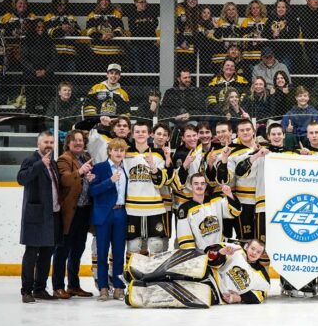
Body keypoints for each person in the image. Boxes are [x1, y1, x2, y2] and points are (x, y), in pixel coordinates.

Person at [17, 131, 61, 303]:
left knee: (46, 254)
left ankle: (40, 289)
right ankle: (26, 291)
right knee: (31, 254)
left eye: (51, 142)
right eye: (45, 142)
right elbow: (21, 179)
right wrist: (39, 165)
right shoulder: (31, 160)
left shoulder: (54, 163)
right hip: (35, 216)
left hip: (52, 215)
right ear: (38, 144)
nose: (49, 145)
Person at [52, 130, 94, 299]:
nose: (78, 143)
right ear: (68, 143)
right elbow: (65, 180)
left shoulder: (83, 158)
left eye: (80, 140)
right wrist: (81, 172)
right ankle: (58, 286)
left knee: (77, 250)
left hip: (84, 211)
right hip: (70, 213)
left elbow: (82, 181)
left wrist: (89, 178)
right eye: (75, 140)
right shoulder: (64, 159)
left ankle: (74, 286)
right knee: (62, 251)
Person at [89, 137, 129, 301]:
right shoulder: (99, 168)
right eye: (116, 150)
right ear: (109, 151)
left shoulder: (127, 168)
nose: (119, 153)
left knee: (119, 253)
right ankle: (104, 288)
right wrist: (109, 181)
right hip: (104, 214)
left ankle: (119, 288)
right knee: (102, 253)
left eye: (122, 150)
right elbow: (92, 191)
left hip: (121, 213)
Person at [124, 121, 171, 257]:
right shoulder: (126, 154)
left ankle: (153, 278)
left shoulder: (157, 155)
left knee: (156, 244)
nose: (140, 134)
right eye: (137, 131)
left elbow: (162, 182)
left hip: (154, 207)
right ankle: (132, 276)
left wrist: (153, 167)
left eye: (143, 131)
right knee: (133, 245)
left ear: (149, 134)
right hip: (132, 207)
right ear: (132, 134)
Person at [176, 174, 241, 250]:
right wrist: (194, 257)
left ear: (206, 185)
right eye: (196, 183)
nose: (199, 186)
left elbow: (236, 212)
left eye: (202, 183)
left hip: (221, 250)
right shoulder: (184, 209)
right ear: (191, 186)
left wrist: (229, 194)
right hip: (201, 254)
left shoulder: (217, 200)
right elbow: (185, 239)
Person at [21, 19, 56, 115]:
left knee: (47, 100)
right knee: (31, 100)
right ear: (34, 28)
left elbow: (54, 58)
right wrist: (34, 71)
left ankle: (47, 121)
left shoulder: (49, 40)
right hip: (31, 75)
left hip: (46, 75)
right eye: (38, 27)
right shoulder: (27, 40)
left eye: (43, 27)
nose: (41, 29)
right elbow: (23, 59)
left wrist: (45, 71)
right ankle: (30, 123)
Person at [86, 0, 125, 71]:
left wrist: (112, 34)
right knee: (98, 77)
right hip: (97, 52)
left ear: (109, 1)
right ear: (99, 1)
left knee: (113, 77)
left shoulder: (116, 14)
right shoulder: (92, 14)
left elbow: (120, 28)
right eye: (102, 0)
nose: (104, 2)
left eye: (107, 0)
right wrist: (101, 36)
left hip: (114, 52)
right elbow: (89, 30)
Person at [43, 0, 81, 73]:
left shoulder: (71, 17)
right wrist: (62, 29)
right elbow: (48, 33)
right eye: (59, 4)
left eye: (63, 4)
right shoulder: (49, 16)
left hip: (70, 54)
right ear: (54, 4)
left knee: (70, 80)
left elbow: (79, 33)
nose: (61, 6)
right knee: (55, 80)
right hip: (54, 55)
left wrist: (72, 30)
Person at [264, 0, 300, 71]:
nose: (280, 9)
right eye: (278, 7)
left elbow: (295, 33)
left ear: (286, 9)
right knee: (272, 71)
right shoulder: (271, 19)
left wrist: (281, 33)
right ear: (275, 8)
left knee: (284, 70)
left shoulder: (292, 19)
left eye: (283, 7)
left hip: (288, 50)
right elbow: (264, 33)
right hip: (274, 50)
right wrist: (272, 35)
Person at [127, 0, 158, 73]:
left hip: (150, 44)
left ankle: (151, 85)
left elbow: (154, 26)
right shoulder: (131, 14)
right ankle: (137, 84)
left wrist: (141, 26)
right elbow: (133, 30)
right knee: (137, 68)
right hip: (136, 44)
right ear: (135, 3)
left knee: (152, 68)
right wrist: (147, 26)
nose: (143, 4)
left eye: (144, 2)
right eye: (141, 2)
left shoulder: (152, 12)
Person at [210, 2, 241, 72]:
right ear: (225, 12)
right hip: (220, 57)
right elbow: (216, 38)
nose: (231, 11)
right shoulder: (220, 22)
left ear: (236, 12)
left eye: (233, 9)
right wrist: (217, 28)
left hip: (232, 57)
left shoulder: (237, 25)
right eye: (228, 9)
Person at [175, 0, 200, 72]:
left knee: (189, 73)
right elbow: (175, 27)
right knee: (179, 73)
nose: (192, 1)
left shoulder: (196, 12)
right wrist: (180, 41)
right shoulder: (179, 8)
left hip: (191, 48)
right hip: (180, 48)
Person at [240, 0, 268, 65]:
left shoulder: (265, 21)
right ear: (250, 10)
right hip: (248, 55)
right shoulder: (245, 21)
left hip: (261, 54)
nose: (255, 10)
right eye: (253, 8)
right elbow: (242, 36)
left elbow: (267, 36)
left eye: (257, 8)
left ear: (261, 9)